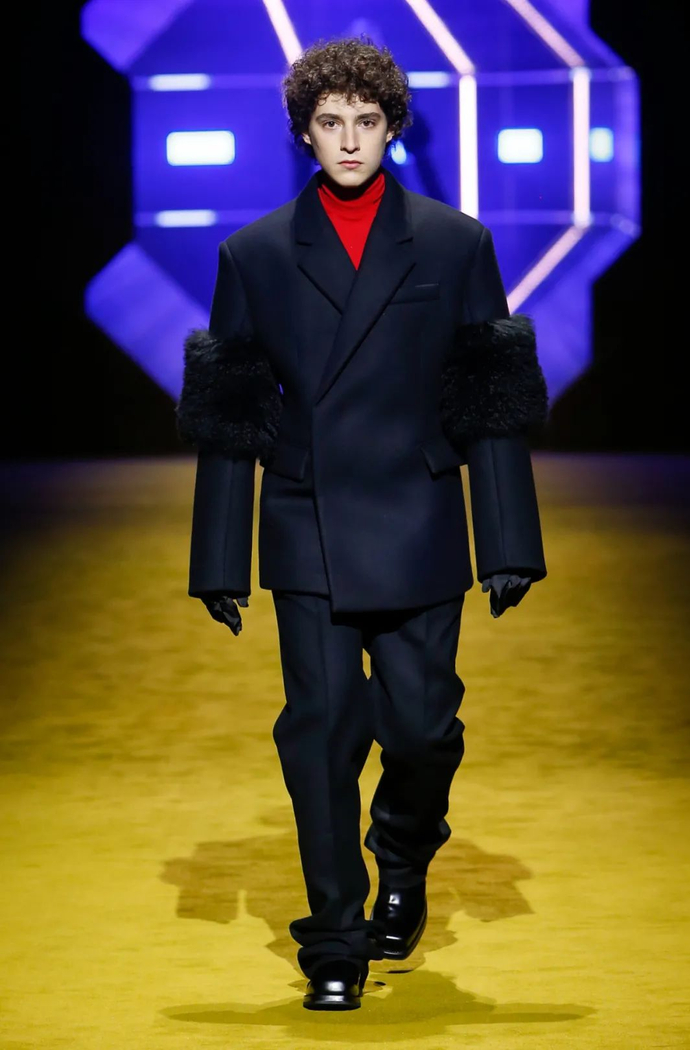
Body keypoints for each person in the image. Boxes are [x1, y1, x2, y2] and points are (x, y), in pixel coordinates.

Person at [175, 36, 548, 1011]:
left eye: (366, 121)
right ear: (304, 133)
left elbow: (489, 394)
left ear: (392, 129)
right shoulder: (255, 254)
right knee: (322, 732)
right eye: (330, 122)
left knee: (422, 730)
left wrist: (508, 541)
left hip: (418, 516)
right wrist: (219, 557)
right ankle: (334, 940)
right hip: (308, 521)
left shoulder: (455, 243)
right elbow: (232, 410)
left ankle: (403, 856)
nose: (348, 139)